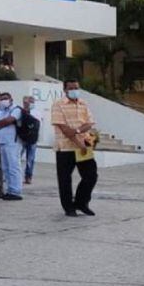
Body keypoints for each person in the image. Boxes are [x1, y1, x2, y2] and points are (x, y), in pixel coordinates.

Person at [50, 79, 98, 217]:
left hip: (84, 145)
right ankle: (68, 207)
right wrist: (79, 142)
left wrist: (77, 131)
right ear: (65, 90)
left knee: (91, 176)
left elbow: (89, 123)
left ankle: (81, 202)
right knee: (65, 179)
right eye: (71, 88)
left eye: (76, 87)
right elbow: (64, 129)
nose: (74, 90)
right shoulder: (58, 105)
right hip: (65, 147)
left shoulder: (83, 103)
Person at [0, 92, 24, 201]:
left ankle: (16, 190)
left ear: (11, 99)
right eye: (1, 99)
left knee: (14, 166)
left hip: (13, 141)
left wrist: (1, 123)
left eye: (5, 98)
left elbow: (10, 120)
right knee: (6, 167)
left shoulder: (16, 109)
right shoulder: (2, 112)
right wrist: (2, 123)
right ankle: (10, 190)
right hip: (3, 141)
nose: (3, 101)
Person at [20, 96, 40, 185]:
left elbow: (37, 125)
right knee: (17, 157)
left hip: (32, 139)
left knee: (30, 159)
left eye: (29, 102)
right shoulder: (20, 112)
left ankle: (28, 176)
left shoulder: (36, 113)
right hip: (22, 138)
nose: (26, 104)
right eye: (25, 103)